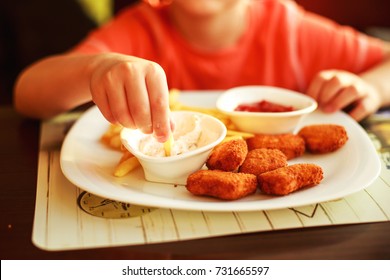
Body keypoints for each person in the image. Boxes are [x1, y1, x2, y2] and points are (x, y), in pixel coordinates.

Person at [13, 0, 390, 143]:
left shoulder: (291, 28)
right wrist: (95, 69)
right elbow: (27, 94)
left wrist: (370, 87)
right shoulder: (138, 28)